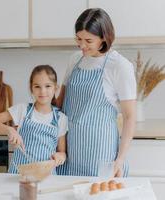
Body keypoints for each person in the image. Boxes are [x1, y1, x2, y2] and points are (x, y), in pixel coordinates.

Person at [55, 8, 136, 177]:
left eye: (88, 40)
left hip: (101, 154)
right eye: (78, 39)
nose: (82, 45)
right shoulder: (75, 59)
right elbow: (59, 104)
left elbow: (130, 117)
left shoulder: (119, 66)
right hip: (70, 152)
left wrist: (119, 160)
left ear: (103, 38)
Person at [0, 65, 67, 174]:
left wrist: (60, 156)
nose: (42, 91)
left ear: (55, 88)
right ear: (31, 89)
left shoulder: (61, 118)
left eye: (48, 86)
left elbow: (62, 152)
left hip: (47, 177)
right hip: (18, 176)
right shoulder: (22, 110)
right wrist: (10, 130)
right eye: (37, 86)